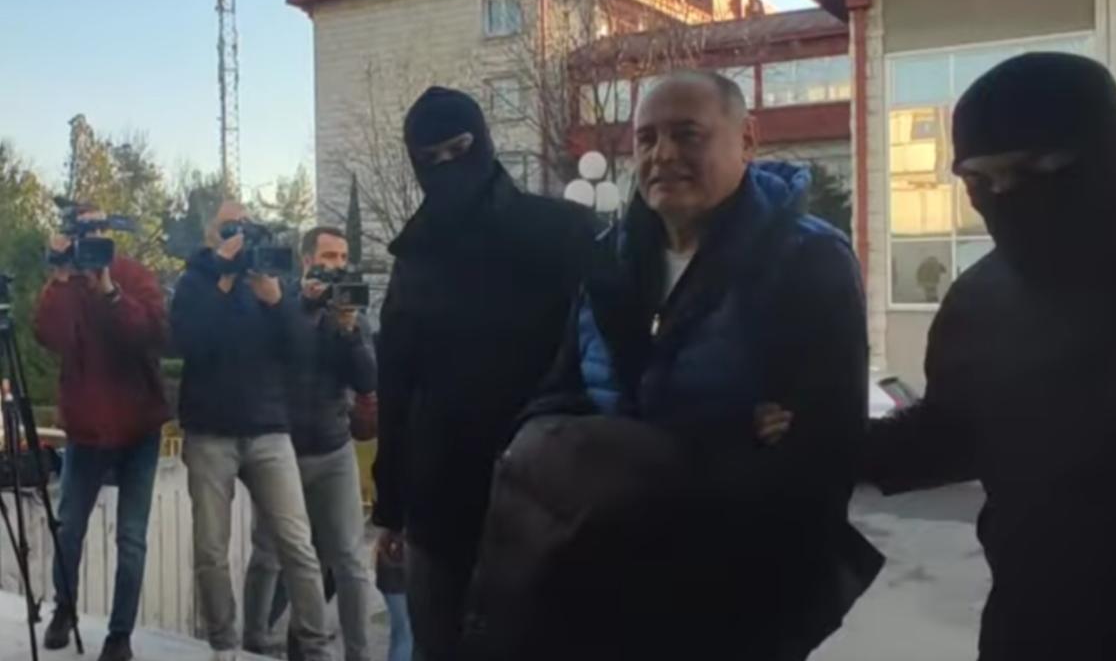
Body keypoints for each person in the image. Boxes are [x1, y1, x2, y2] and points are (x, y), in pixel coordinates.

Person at [463, 71, 882, 660]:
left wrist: (652, 458)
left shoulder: (807, 261)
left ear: (747, 139)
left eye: (687, 134)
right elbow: (558, 395)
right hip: (603, 584)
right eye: (646, 138)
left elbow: (821, 451)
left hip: (732, 596)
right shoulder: (606, 261)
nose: (663, 155)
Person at [863, 53, 1116, 660]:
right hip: (1036, 629)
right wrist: (828, 442)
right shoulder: (983, 297)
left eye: (1033, 170)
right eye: (979, 181)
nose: (1005, 198)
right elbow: (955, 434)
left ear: (1110, 154)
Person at [374, 86, 597, 660]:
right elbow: (396, 384)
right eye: (430, 158)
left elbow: (604, 361)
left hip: (543, 499)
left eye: (459, 149)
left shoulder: (564, 233)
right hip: (441, 505)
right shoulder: (414, 258)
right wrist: (391, 507)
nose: (447, 167)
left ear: (484, 142)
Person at [171, 201, 332, 661]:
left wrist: (277, 302)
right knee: (211, 549)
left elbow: (301, 349)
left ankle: (316, 646)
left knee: (297, 544)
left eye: (244, 227)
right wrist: (221, 280)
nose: (238, 237)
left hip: (268, 428)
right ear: (211, 236)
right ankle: (224, 643)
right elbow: (188, 341)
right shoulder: (194, 282)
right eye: (228, 228)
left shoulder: (269, 278)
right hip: (210, 431)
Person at [34, 207, 168, 661]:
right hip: (87, 429)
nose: (92, 239)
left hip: (139, 427)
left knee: (131, 538)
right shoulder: (66, 285)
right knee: (69, 526)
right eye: (84, 231)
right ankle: (64, 607)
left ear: (111, 235)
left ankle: (120, 634)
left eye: (99, 231)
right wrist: (59, 276)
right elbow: (49, 336)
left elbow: (152, 333)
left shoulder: (133, 275)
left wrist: (110, 292)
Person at [241, 226, 376, 661]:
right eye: (329, 256)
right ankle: (254, 643)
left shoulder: (349, 312)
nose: (337, 265)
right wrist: (305, 305)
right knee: (268, 554)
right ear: (306, 260)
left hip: (334, 448)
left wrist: (348, 329)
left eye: (343, 257)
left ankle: (358, 653)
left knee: (350, 560)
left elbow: (367, 380)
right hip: (281, 449)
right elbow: (278, 348)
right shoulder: (281, 304)